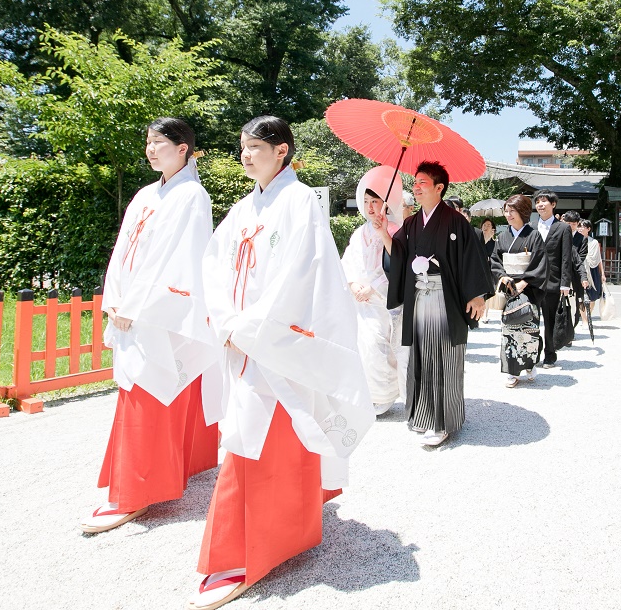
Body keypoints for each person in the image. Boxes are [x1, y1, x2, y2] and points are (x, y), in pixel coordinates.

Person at [193, 116, 373, 609]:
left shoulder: (300, 203)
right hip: (242, 336)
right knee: (260, 432)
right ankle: (289, 529)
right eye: (242, 147)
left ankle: (240, 551)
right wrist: (227, 321)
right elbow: (215, 264)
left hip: (274, 340)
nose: (246, 155)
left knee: (258, 436)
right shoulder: (242, 207)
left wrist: (251, 329)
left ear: (283, 151)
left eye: (256, 147)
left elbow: (301, 275)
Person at [85, 118, 220, 535]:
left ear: (183, 149)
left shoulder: (192, 195)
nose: (150, 149)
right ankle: (174, 468)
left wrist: (139, 303)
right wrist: (115, 299)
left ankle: (138, 490)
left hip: (161, 310)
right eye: (147, 142)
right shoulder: (146, 195)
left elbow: (179, 257)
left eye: (159, 142)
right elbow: (123, 251)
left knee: (153, 387)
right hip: (133, 306)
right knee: (146, 388)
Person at [387, 161, 493, 447]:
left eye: (422, 182)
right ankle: (422, 414)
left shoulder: (456, 221)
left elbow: (472, 258)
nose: (416, 187)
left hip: (446, 301)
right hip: (419, 298)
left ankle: (443, 421)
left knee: (444, 356)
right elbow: (398, 256)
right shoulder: (410, 224)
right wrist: (384, 232)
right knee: (420, 357)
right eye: (415, 182)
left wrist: (477, 294)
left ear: (439, 188)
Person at [341, 166, 406, 415]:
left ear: (386, 203)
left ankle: (385, 395)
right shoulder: (360, 232)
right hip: (360, 300)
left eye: (375, 201)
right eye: (366, 201)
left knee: (379, 345)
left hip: (382, 300)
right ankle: (366, 393)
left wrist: (374, 288)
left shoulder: (396, 231)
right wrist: (353, 284)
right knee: (359, 346)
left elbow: (396, 268)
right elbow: (349, 262)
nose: (369, 207)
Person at [489, 195, 547, 387]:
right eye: (506, 211)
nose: (508, 215)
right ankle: (512, 372)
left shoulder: (534, 235)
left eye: (512, 211)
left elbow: (539, 262)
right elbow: (495, 260)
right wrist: (502, 276)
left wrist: (525, 281)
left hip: (529, 289)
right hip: (509, 288)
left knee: (529, 329)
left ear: (522, 211)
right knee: (509, 329)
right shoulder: (503, 236)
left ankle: (530, 365)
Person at [532, 190, 575, 367]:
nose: (540, 204)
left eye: (544, 201)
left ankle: (550, 354)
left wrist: (565, 283)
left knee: (550, 321)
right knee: (531, 320)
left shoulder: (563, 228)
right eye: (538, 201)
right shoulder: (531, 227)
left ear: (553, 204)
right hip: (532, 281)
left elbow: (566, 257)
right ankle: (532, 355)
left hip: (553, 281)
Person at [577, 219, 605, 320]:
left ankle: (588, 315)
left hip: (592, 271)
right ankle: (584, 319)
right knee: (580, 296)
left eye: (582, 227)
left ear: (588, 229)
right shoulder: (574, 241)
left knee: (592, 296)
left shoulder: (594, 242)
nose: (580, 229)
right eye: (578, 226)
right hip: (579, 270)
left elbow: (598, 259)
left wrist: (602, 274)